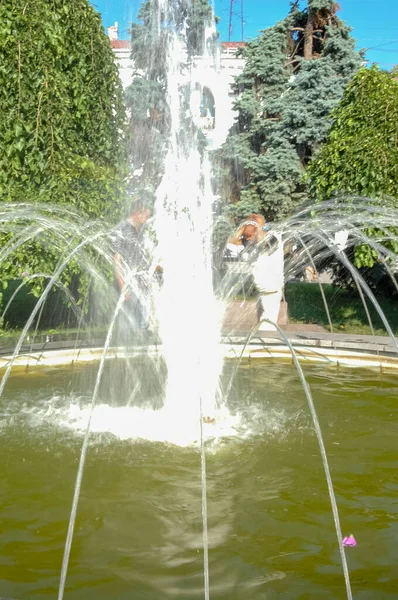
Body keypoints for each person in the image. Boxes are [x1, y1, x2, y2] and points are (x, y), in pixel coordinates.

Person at [226, 213, 284, 331]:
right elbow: (231, 243)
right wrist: (243, 229)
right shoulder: (249, 241)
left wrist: (256, 227)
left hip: (271, 291)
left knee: (267, 326)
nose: (247, 238)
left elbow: (263, 243)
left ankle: (268, 344)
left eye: (249, 234)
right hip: (261, 291)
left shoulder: (273, 237)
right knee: (262, 323)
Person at [112, 199, 153, 334]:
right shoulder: (121, 229)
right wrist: (122, 286)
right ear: (137, 214)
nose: (147, 220)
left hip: (141, 283)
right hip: (128, 283)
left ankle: (142, 349)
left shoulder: (139, 231)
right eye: (146, 216)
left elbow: (141, 257)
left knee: (143, 323)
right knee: (130, 324)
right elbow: (116, 259)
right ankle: (127, 350)